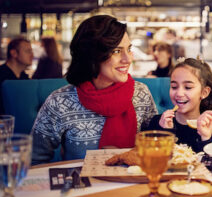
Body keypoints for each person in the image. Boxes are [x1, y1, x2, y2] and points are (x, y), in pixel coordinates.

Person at [31, 15, 158, 164]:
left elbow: (156, 145)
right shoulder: (60, 102)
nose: (128, 59)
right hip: (82, 186)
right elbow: (34, 159)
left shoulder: (141, 93)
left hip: (133, 184)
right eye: (116, 51)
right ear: (92, 55)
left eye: (129, 49)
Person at [145, 58, 212, 152]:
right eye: (174, 87)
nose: (179, 93)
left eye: (188, 87)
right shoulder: (157, 123)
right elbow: (151, 160)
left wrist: (206, 138)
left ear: (204, 92)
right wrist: (166, 134)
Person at [0, 37, 33, 114]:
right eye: (28, 51)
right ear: (14, 53)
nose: (32, 55)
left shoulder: (24, 78)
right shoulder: (2, 76)